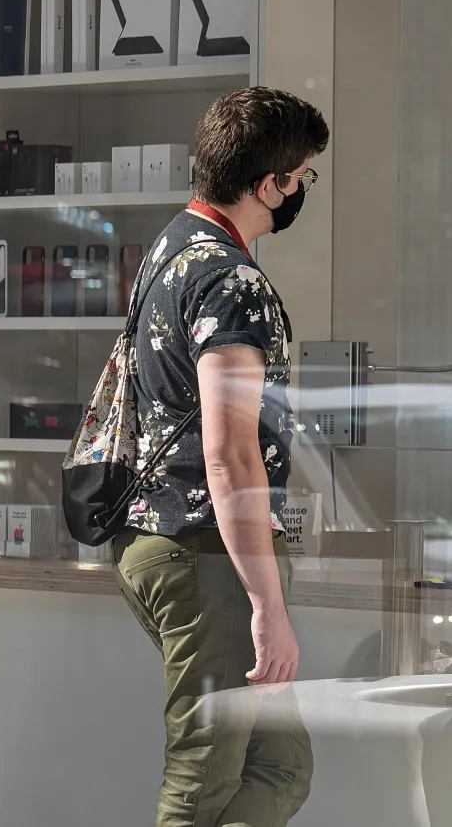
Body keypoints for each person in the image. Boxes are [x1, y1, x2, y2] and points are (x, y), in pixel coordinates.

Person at [112, 85, 328, 827]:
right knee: (202, 779)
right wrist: (267, 604)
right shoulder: (232, 280)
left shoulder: (167, 250)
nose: (302, 189)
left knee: (280, 764)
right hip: (208, 557)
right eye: (301, 175)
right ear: (268, 184)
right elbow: (231, 453)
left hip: (164, 543)